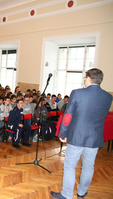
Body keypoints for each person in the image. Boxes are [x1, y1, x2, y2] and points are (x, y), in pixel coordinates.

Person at [50, 68, 112, 199]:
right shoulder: (108, 97)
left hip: (77, 136)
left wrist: (63, 133)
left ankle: (67, 194)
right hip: (94, 138)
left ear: (88, 77)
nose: (84, 79)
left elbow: (68, 116)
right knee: (89, 166)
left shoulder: (77, 93)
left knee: (70, 165)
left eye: (85, 77)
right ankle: (82, 192)